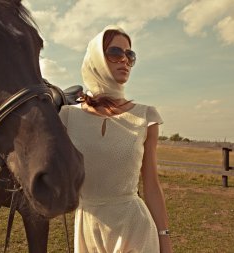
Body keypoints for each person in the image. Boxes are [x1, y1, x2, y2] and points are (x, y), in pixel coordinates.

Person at [59, 25, 173, 253]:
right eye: (115, 53)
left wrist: (165, 239)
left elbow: (151, 184)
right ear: (97, 58)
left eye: (130, 55)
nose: (125, 60)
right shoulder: (66, 116)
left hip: (134, 227)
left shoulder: (145, 116)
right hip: (87, 228)